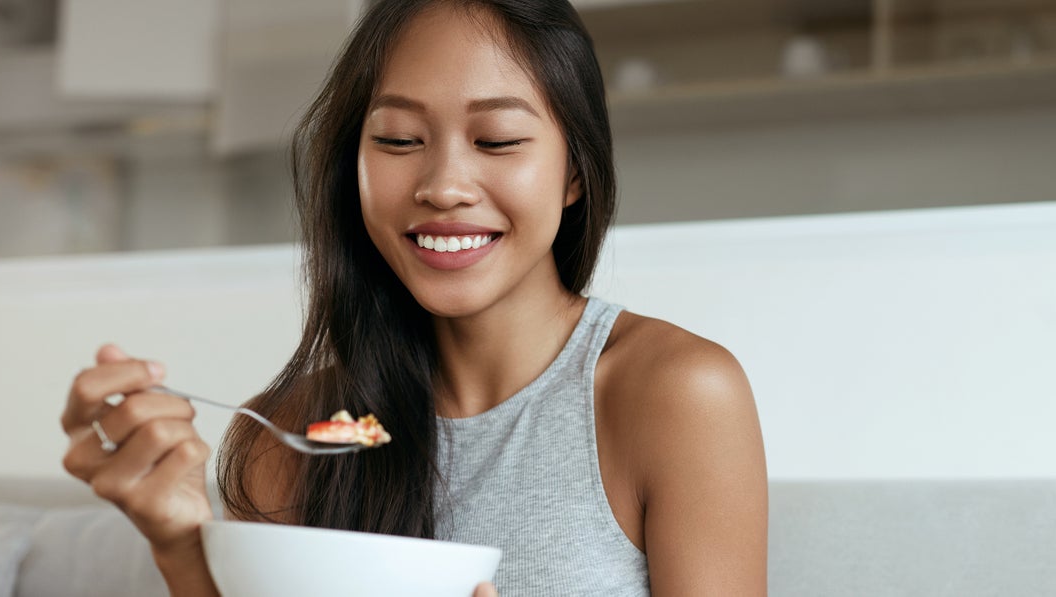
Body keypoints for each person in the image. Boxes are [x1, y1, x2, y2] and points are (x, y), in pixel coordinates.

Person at [60, 0, 768, 595]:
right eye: (399, 139)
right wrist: (183, 547)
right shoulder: (287, 435)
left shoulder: (674, 394)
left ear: (575, 172)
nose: (443, 185)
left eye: (496, 140)